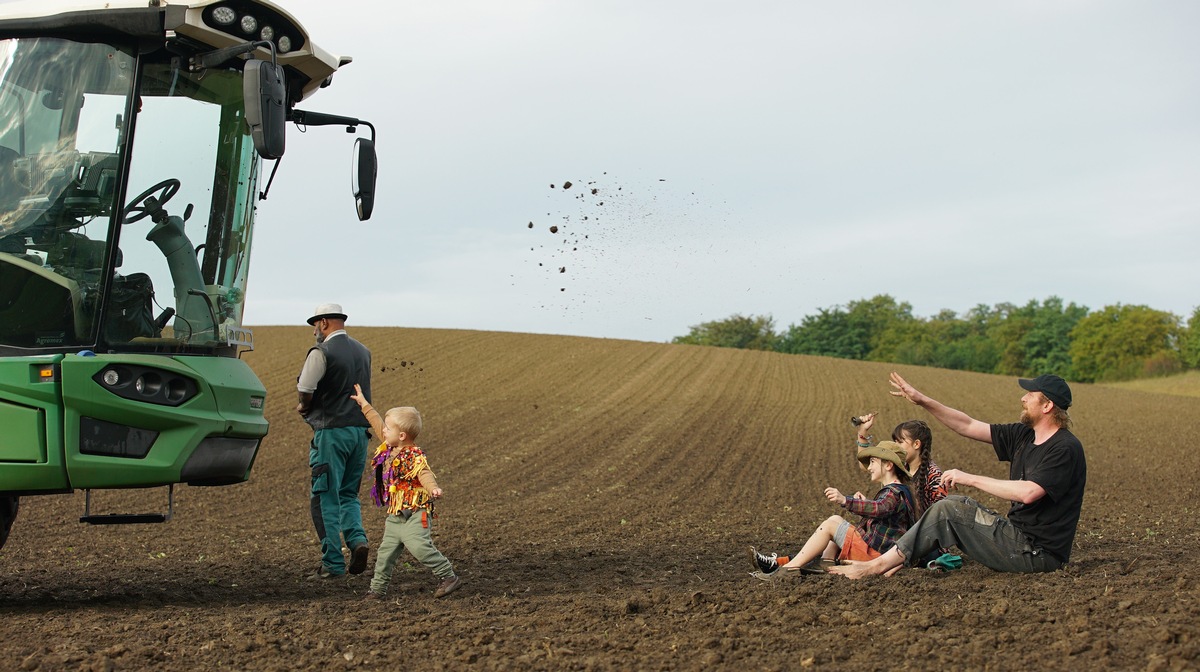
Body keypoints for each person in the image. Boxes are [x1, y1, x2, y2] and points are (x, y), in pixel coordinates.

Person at [830, 372, 1086, 579]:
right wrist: (922, 400)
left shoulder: (1064, 448)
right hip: (1016, 538)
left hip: (1037, 554)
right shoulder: (1024, 435)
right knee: (952, 504)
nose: (1023, 398)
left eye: (1030, 395)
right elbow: (968, 425)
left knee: (949, 511)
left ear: (1047, 405)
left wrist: (969, 477)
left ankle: (876, 566)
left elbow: (1029, 493)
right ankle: (890, 561)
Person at [349, 384, 462, 599]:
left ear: (401, 435)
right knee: (384, 555)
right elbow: (377, 423)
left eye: (388, 429)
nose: (383, 431)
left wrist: (433, 488)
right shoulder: (390, 447)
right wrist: (364, 404)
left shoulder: (414, 456)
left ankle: (448, 576)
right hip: (395, 515)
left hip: (416, 512)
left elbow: (425, 474)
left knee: (419, 546)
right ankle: (377, 590)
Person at [750, 442, 915, 579]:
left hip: (875, 555)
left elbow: (880, 508)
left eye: (873, 462)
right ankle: (824, 564)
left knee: (831, 524)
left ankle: (787, 570)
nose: (869, 467)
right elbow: (882, 510)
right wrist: (864, 503)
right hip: (878, 552)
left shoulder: (894, 492)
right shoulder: (897, 491)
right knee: (835, 524)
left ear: (888, 465)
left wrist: (845, 500)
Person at [296, 303, 372, 579]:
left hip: (331, 433)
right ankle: (357, 540)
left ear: (324, 322)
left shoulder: (321, 352)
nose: (315, 330)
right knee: (349, 494)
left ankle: (333, 564)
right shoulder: (364, 352)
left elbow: (305, 388)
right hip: (360, 433)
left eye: (315, 325)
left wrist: (304, 407)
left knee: (324, 497)